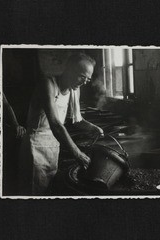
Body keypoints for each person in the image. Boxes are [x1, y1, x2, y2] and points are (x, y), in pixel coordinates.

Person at [18, 53, 103, 196]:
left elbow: (78, 120)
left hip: (53, 147)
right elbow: (56, 124)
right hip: (35, 147)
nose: (84, 81)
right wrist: (78, 154)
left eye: (88, 79)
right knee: (33, 192)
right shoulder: (48, 84)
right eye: (82, 76)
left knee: (48, 191)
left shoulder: (74, 90)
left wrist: (94, 128)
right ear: (69, 69)